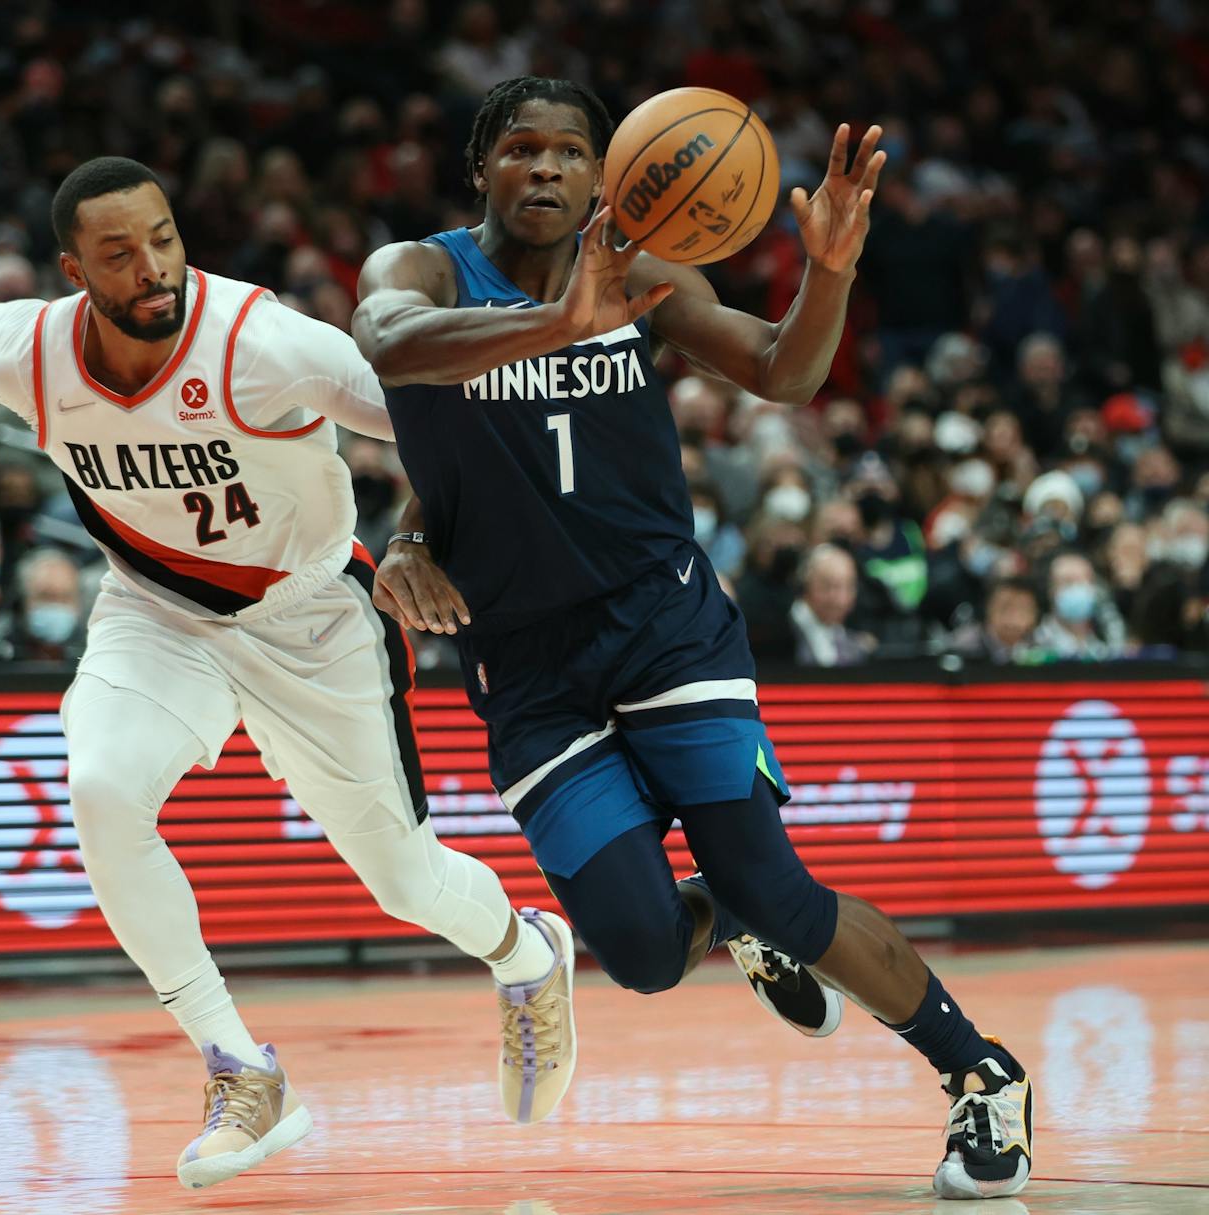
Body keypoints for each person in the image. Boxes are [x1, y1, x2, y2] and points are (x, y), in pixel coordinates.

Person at [353, 76, 1032, 1200]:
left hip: (662, 623)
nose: (546, 171)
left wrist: (827, 272)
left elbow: (786, 371)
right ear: (481, 169)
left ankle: (981, 1074)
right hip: (523, 659)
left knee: (779, 890)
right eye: (520, 150)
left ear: (602, 172)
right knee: (641, 955)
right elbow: (390, 345)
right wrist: (553, 332)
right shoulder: (416, 270)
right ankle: (731, 924)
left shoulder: (643, 269)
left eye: (570, 153)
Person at [0, 157, 576, 1191]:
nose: (152, 267)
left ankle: (526, 955)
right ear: (75, 270)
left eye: (162, 238)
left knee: (402, 882)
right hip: (154, 614)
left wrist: (421, 535)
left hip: (311, 618)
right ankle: (239, 1068)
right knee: (101, 793)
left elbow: (448, 422)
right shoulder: (22, 346)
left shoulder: (265, 342)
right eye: (119, 254)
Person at [790, 544, 874, 667]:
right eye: (828, 586)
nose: (841, 599)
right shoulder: (782, 632)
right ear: (805, 586)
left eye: (849, 587)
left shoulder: (853, 642)